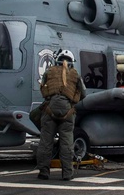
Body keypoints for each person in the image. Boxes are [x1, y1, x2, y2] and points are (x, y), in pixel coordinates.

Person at [37, 49, 87, 181]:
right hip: (68, 111)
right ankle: (67, 173)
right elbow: (84, 93)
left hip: (49, 109)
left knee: (46, 141)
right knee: (67, 143)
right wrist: (71, 101)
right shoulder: (75, 74)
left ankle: (43, 171)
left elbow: (42, 88)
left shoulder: (49, 71)